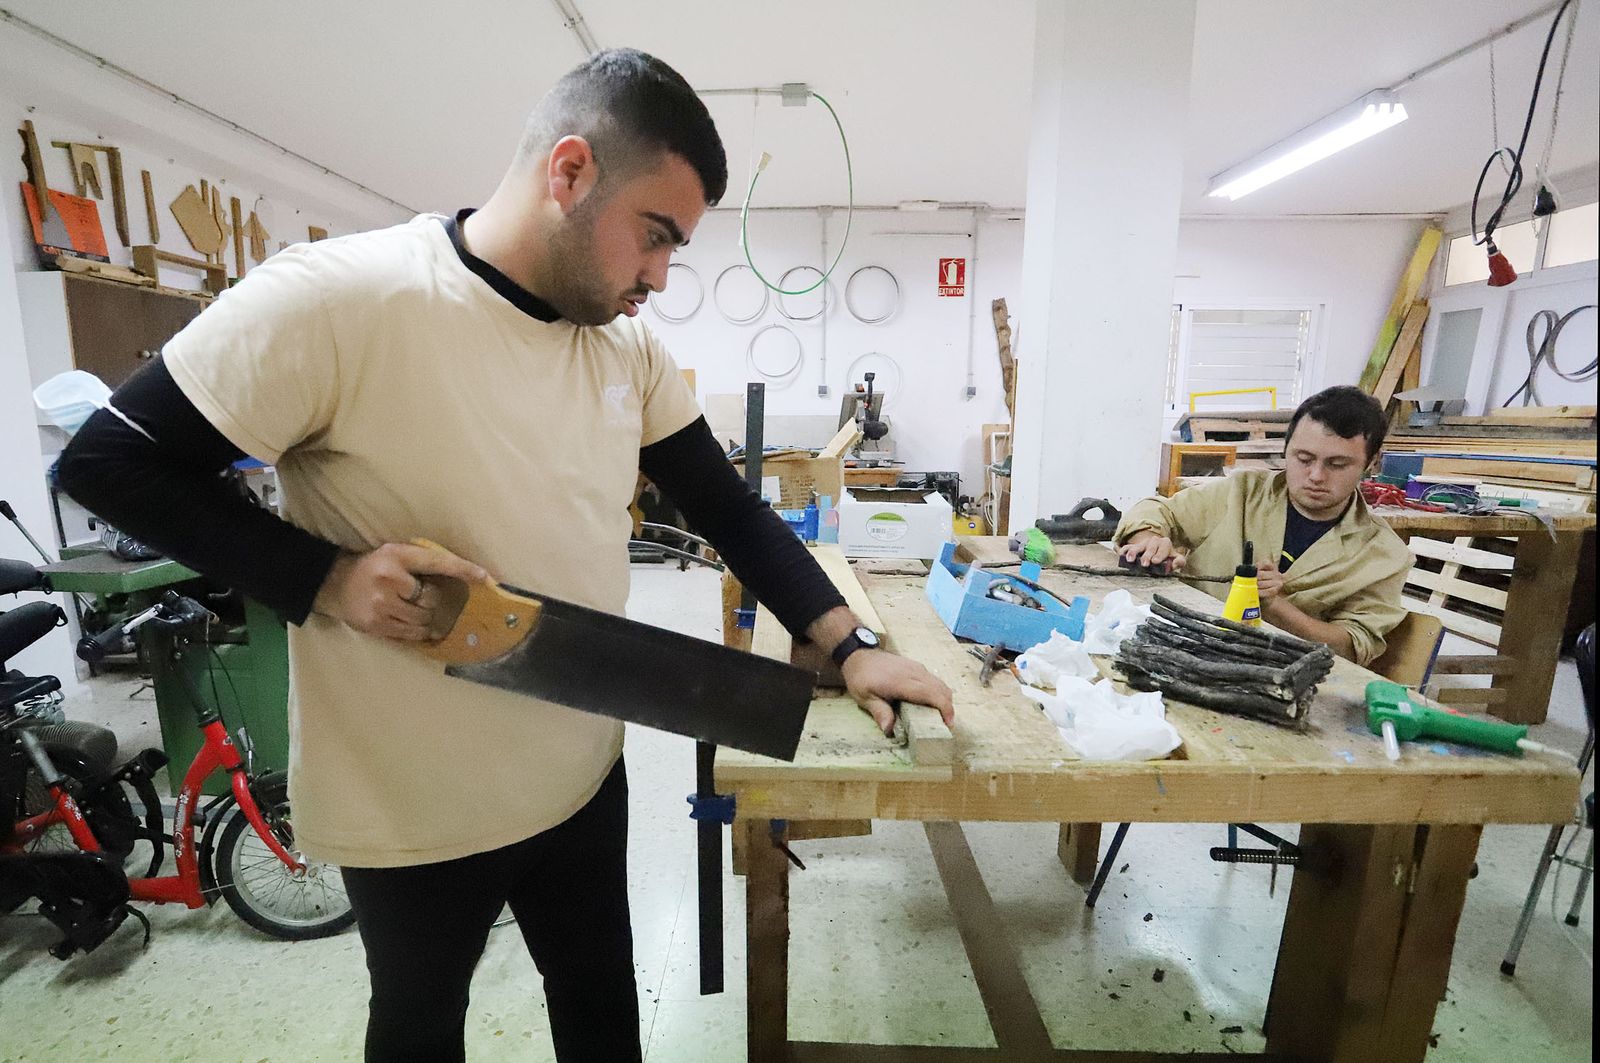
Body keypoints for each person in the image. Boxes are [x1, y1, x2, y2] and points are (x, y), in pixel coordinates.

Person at [55, 48, 953, 1063]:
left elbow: (728, 509)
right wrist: (327, 581)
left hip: (577, 774)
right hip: (411, 802)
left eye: (676, 250)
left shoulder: (625, 348)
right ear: (569, 172)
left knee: (602, 1007)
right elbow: (109, 460)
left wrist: (848, 641)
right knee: (422, 1027)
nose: (660, 276)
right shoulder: (345, 299)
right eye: (653, 236)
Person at [1116, 385, 1410, 665]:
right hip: (1182, 645)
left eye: (1337, 465)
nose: (1316, 476)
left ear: (1372, 463)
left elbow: (1351, 647)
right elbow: (1155, 510)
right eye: (1303, 458)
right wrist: (1148, 539)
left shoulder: (1383, 555)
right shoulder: (1242, 492)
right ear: (1286, 449)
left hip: (1280, 676)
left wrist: (1275, 607)